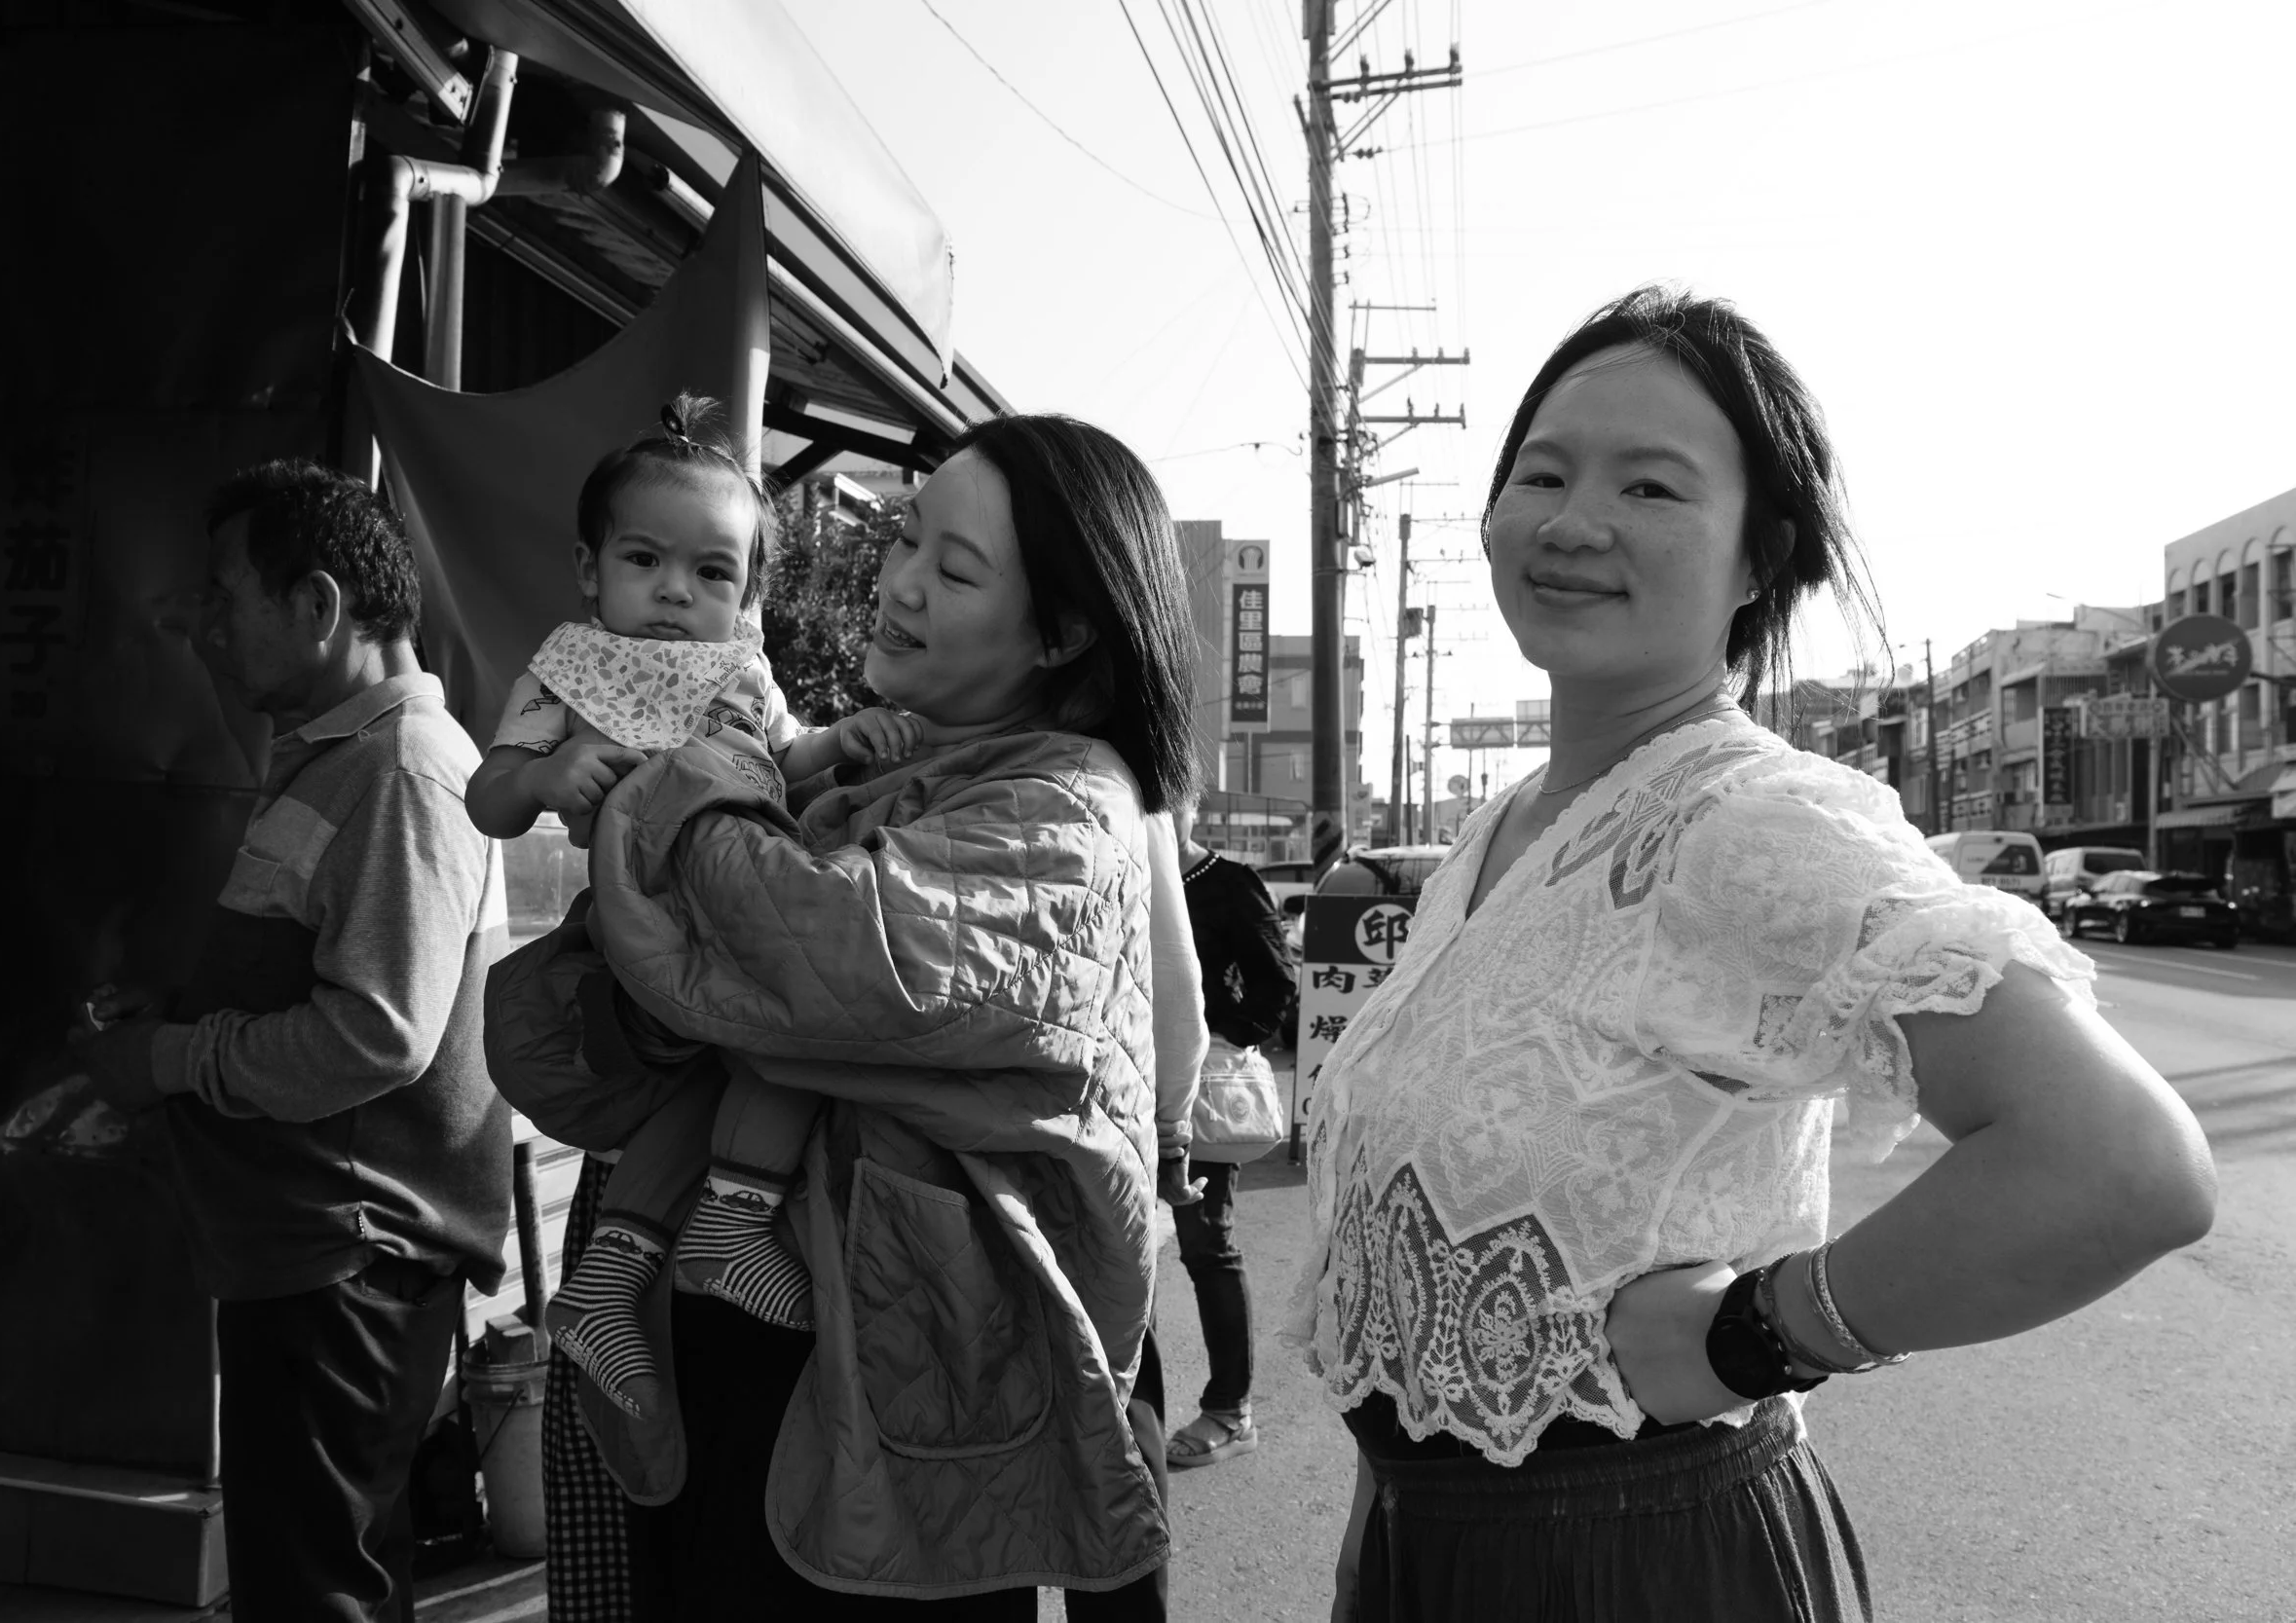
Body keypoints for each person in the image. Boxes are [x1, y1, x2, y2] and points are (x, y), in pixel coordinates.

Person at [1288, 286, 2218, 1623]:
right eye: (1540, 471)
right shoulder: (1508, 822)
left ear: (1754, 556)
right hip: (1426, 1540)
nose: (1572, 521)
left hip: (1636, 1561)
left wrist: (1768, 1329)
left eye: (1652, 487)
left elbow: (2124, 1163)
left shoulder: (1755, 818)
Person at [488, 411, 1199, 1615]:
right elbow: (573, 1048)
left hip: (886, 1435)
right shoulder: (877, 769)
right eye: (905, 539)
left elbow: (808, 949)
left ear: (1065, 629)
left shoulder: (1060, 805)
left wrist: (674, 775)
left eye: (953, 566)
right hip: (769, 1399)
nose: (900, 583)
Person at [73, 461, 515, 1623]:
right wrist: (179, 1002)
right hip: (314, 1256)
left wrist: (170, 1058)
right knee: (313, 1577)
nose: (202, 625)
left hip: (349, 1258)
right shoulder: (345, 755)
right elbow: (318, 972)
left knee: (321, 1594)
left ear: (317, 607)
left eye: (225, 595)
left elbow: (375, 1033)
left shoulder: (407, 770)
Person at [465, 397, 918, 1420]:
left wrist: (845, 741)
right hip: (643, 930)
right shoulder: (567, 667)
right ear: (590, 567)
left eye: (711, 572)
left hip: (749, 909)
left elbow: (787, 759)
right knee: (782, 1049)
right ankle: (719, 1225)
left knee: (730, 1076)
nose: (675, 591)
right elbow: (486, 794)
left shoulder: (743, 669)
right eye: (644, 560)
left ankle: (625, 1273)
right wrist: (550, 773)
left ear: (749, 592)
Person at [1162, 805, 1294, 1470]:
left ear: (1188, 802)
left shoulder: (1229, 881)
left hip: (1196, 1088)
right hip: (1117, 1079)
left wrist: (1219, 1043)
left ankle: (1229, 1408)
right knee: (1109, 1242)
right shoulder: (1125, 869)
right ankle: (1120, 1406)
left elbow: (1277, 984)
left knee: (1205, 1242)